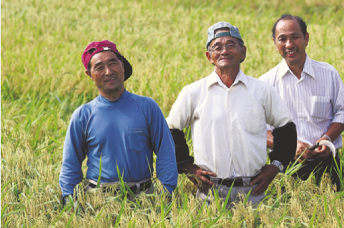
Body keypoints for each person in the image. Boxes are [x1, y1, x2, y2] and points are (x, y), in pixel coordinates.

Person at [167, 21, 297, 206]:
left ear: (243, 52)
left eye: (231, 45)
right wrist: (187, 166)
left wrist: (276, 167)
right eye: (217, 47)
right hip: (210, 193)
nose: (224, 51)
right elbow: (171, 129)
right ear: (209, 56)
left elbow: (286, 127)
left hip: (254, 191)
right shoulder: (193, 93)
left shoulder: (262, 91)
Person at [59, 40, 178, 203]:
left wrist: (165, 193)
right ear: (90, 75)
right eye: (99, 67)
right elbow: (70, 163)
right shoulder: (83, 115)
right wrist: (68, 197)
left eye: (113, 63)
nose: (108, 71)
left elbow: (166, 152)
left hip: (143, 199)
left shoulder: (147, 107)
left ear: (122, 65)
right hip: (99, 200)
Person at [259, 14, 344, 191]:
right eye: (282, 39)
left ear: (306, 38)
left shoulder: (328, 74)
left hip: (325, 164)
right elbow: (258, 129)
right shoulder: (265, 84)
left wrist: (326, 140)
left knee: (332, 213)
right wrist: (289, 146)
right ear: (274, 43)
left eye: (295, 37)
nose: (289, 44)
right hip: (283, 168)